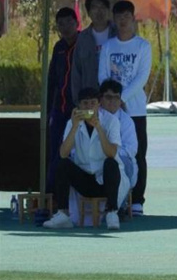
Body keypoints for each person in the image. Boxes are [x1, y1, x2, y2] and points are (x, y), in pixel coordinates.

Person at [42, 87, 130, 230]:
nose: (89, 107)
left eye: (92, 103)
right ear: (79, 106)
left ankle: (112, 212)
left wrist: (99, 128)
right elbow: (63, 153)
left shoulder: (111, 121)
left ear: (98, 104)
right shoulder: (73, 122)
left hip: (106, 181)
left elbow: (112, 153)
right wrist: (74, 127)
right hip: (85, 178)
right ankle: (63, 214)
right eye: (85, 104)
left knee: (111, 163)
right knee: (62, 164)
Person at [98, 0, 152, 214]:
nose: (122, 21)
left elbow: (142, 77)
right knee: (110, 152)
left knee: (137, 154)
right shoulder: (108, 46)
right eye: (119, 17)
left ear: (132, 18)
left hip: (135, 110)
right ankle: (114, 197)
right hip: (110, 111)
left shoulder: (143, 46)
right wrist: (109, 101)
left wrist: (121, 98)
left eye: (126, 16)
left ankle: (137, 199)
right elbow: (102, 75)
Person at [46, 7, 80, 193]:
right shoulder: (58, 47)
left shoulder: (84, 43)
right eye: (61, 24)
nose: (66, 27)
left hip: (78, 110)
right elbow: (52, 80)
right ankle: (51, 194)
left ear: (77, 23)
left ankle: (74, 195)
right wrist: (48, 111)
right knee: (55, 152)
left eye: (69, 23)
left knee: (75, 152)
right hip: (59, 110)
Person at [71, 0, 116, 106]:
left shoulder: (118, 34)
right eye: (94, 7)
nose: (99, 11)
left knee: (112, 124)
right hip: (90, 100)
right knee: (93, 123)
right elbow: (76, 72)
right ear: (89, 12)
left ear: (108, 10)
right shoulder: (83, 38)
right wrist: (77, 100)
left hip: (114, 100)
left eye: (102, 7)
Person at [99, 79, 139, 198]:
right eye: (109, 97)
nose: (113, 101)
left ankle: (118, 205)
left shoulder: (127, 121)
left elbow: (131, 150)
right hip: (96, 160)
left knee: (115, 163)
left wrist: (111, 153)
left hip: (120, 162)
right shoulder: (94, 117)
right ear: (100, 99)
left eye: (117, 97)